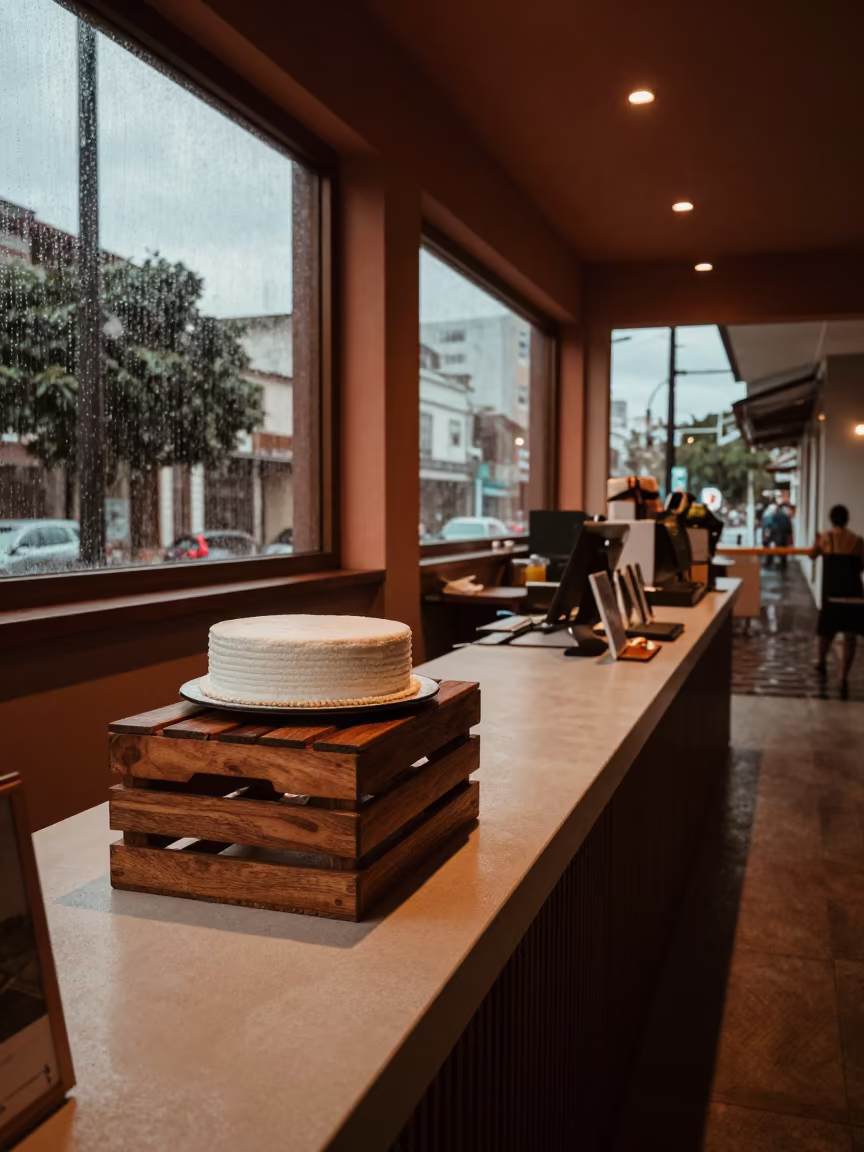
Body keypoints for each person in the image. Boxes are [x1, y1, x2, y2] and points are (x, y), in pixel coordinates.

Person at [811, 504, 864, 696]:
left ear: (831, 519)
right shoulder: (857, 541)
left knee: (825, 632)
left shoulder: (826, 539)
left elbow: (812, 554)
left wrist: (816, 542)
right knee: (850, 637)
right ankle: (843, 676)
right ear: (847, 519)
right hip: (854, 594)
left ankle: (821, 661)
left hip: (831, 594)